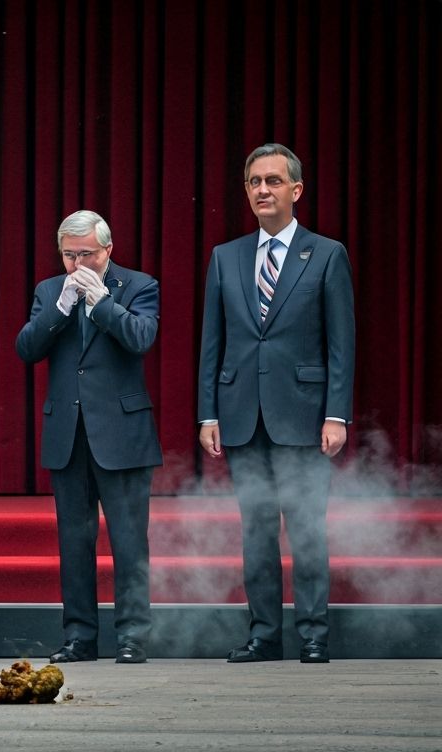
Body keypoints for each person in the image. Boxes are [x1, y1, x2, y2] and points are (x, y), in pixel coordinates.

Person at [198, 143, 355, 663]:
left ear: (296, 190)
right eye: (254, 182)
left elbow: (341, 344)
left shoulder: (326, 253)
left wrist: (336, 414)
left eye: (273, 180)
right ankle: (264, 635)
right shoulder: (226, 257)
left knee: (306, 528)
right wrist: (208, 412)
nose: (262, 190)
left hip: (305, 416)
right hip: (242, 416)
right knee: (256, 530)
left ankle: (313, 634)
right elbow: (212, 342)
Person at [15, 210, 162, 665]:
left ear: (108, 250)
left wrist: (103, 305)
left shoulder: (138, 285)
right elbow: (26, 348)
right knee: (74, 543)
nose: (78, 264)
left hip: (122, 435)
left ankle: (133, 635)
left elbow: (142, 338)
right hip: (69, 434)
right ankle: (79, 636)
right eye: (69, 255)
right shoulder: (49, 291)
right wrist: (59, 310)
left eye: (87, 254)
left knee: (129, 542)